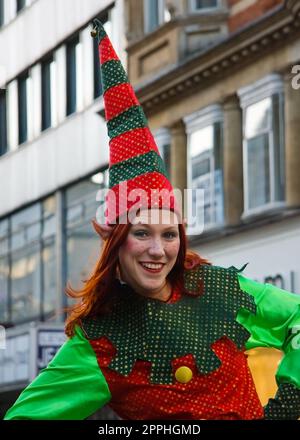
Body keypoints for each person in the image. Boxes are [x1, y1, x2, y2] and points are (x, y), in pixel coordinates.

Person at [4, 20, 300, 421]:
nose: (158, 250)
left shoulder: (221, 290)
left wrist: (287, 405)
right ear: (117, 241)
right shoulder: (99, 343)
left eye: (169, 234)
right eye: (141, 233)